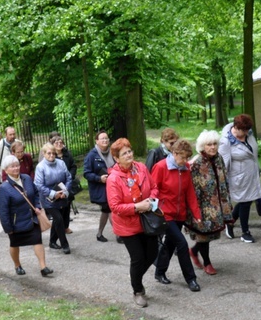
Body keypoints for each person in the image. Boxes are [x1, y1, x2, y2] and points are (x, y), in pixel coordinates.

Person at [107, 138, 159, 307]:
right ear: (116, 158)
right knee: (137, 258)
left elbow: (154, 186)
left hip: (146, 220)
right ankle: (137, 290)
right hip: (127, 225)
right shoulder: (113, 179)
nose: (129, 155)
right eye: (124, 153)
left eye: (129, 151)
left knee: (152, 253)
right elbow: (115, 206)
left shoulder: (142, 168)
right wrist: (137, 206)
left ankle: (135, 275)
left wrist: (151, 199)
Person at [151, 139, 202, 292]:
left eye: (187, 158)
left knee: (170, 244)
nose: (185, 161)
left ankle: (159, 272)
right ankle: (191, 279)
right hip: (165, 214)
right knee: (181, 244)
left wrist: (196, 213)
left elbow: (190, 192)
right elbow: (153, 189)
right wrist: (156, 210)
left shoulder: (186, 168)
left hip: (180, 213)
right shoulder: (160, 167)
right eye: (182, 157)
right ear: (174, 153)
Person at [186, 130, 234, 276]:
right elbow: (191, 188)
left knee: (210, 234)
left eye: (214, 144)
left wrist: (226, 201)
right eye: (209, 144)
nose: (213, 147)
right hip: (202, 205)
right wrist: (194, 210)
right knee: (203, 234)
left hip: (217, 202)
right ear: (202, 146)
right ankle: (207, 263)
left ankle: (194, 251)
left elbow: (224, 179)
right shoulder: (196, 163)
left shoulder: (218, 158)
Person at [0, 155, 53, 277]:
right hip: (16, 223)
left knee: (37, 240)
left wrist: (37, 205)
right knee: (14, 244)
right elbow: (3, 211)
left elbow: (36, 193)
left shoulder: (27, 178)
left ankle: (43, 267)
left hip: (32, 219)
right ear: (6, 170)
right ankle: (17, 265)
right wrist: (8, 228)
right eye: (12, 167)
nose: (16, 168)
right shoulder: (4, 188)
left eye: (17, 165)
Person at [219, 113, 261, 242]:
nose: (244, 133)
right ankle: (245, 232)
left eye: (246, 130)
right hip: (238, 177)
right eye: (242, 130)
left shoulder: (249, 135)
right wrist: (223, 183)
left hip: (252, 173)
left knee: (248, 201)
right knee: (245, 202)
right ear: (235, 127)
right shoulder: (226, 141)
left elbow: (253, 154)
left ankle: (230, 222)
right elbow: (223, 163)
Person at [34, 143, 73, 254]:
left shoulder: (61, 163)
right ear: (44, 154)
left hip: (62, 195)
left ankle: (52, 241)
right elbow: (39, 185)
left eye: (53, 153)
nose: (51, 155)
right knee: (59, 219)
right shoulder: (40, 167)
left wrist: (65, 192)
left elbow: (69, 178)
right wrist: (53, 194)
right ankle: (65, 244)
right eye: (49, 153)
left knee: (58, 220)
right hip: (48, 199)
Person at [84, 129, 115, 242]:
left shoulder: (113, 152)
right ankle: (119, 234)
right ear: (96, 141)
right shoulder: (91, 155)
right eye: (102, 138)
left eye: (106, 138)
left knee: (106, 211)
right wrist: (99, 179)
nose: (105, 140)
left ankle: (99, 233)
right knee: (110, 209)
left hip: (113, 187)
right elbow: (86, 173)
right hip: (100, 188)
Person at [52, 136, 77, 234]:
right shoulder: (52, 156)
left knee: (67, 206)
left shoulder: (68, 155)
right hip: (57, 185)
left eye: (60, 142)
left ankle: (66, 226)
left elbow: (73, 166)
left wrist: (70, 176)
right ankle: (59, 227)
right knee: (58, 208)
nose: (59, 144)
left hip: (68, 183)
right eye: (56, 142)